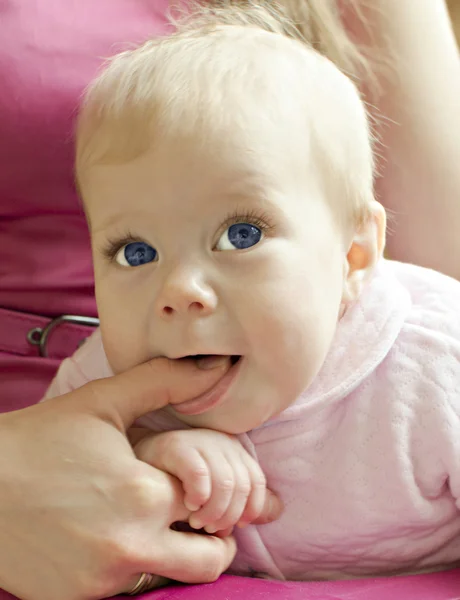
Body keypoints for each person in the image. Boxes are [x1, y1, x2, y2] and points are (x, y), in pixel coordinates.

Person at [1, 0, 459, 598]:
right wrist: (155, 457)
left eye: (240, 235)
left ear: (352, 256)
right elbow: (66, 493)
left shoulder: (435, 363)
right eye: (135, 252)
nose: (179, 291)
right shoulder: (101, 379)